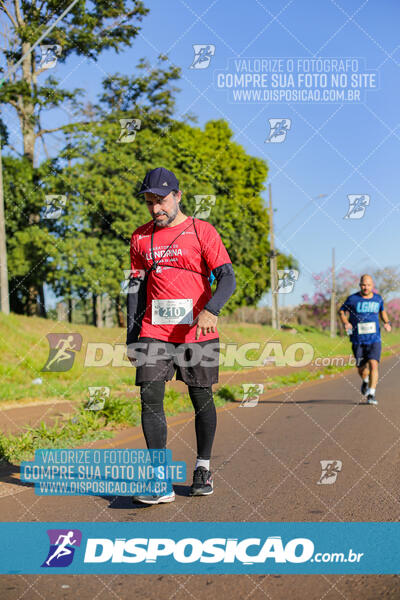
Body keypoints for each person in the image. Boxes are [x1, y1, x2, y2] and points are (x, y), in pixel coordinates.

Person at [126, 167, 236, 504]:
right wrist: (132, 333)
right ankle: (159, 480)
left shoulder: (202, 231)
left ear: (177, 195)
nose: (155, 208)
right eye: (149, 202)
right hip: (154, 329)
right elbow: (135, 288)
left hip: (197, 330)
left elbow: (227, 278)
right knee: (150, 396)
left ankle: (202, 467)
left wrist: (212, 310)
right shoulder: (140, 237)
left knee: (200, 396)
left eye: (160, 200)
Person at [339, 274, 391, 405]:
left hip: (374, 339)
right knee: (361, 368)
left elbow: (382, 311)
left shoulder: (378, 299)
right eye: (363, 284)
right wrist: (346, 322)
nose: (365, 287)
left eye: (368, 285)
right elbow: (341, 311)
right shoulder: (352, 299)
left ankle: (371, 394)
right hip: (358, 340)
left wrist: (386, 322)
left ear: (372, 286)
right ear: (360, 285)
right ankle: (366, 381)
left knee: (374, 364)